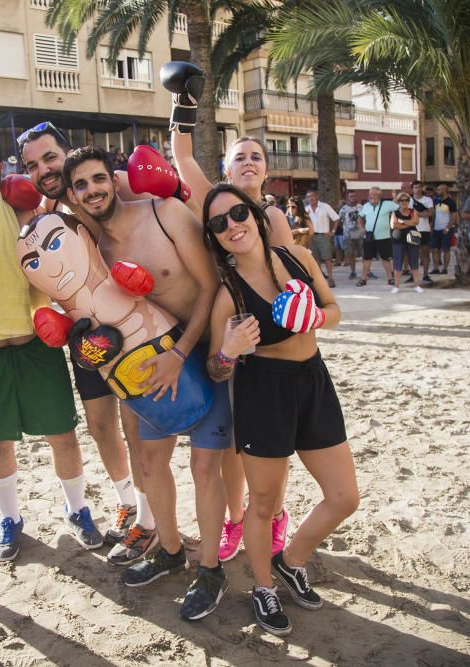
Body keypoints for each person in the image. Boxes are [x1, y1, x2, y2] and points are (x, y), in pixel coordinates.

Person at [61, 145, 230, 621]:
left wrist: (181, 353)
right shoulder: (92, 247)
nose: (92, 190)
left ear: (113, 181)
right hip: (150, 365)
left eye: (98, 179)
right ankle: (171, 551)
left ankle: (212, 570)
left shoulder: (164, 213)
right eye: (81, 185)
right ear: (74, 196)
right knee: (151, 462)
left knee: (204, 469)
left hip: (205, 352)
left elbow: (212, 284)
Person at [0, 126, 103, 562]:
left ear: (0, 163)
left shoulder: (22, 207)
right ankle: (10, 518)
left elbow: (64, 233)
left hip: (34, 344)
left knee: (62, 436)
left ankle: (78, 508)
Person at [202, 182, 358, 637]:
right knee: (264, 504)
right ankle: (264, 589)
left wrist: (315, 318)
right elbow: (215, 369)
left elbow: (333, 309)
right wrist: (229, 350)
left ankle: (291, 561)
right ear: (213, 237)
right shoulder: (228, 293)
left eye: (237, 214)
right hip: (263, 395)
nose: (231, 226)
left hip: (313, 382)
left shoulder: (297, 259)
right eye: (218, 224)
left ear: (253, 214)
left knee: (344, 497)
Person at [166, 61, 294, 563]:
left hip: (267, 340)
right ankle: (238, 521)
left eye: (256, 156)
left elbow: (290, 284)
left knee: (264, 441)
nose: (248, 161)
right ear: (226, 168)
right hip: (221, 336)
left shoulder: (275, 217)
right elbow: (179, 152)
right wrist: (186, 100)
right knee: (228, 443)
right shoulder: (212, 202)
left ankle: (276, 514)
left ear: (266, 169)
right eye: (239, 155)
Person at [18, 121, 150, 563]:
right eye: (32, 165)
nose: (43, 170)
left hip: (134, 324)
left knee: (136, 424)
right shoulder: (37, 219)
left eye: (49, 157)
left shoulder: (107, 190)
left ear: (67, 152)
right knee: (99, 424)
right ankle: (128, 500)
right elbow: (47, 283)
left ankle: (148, 518)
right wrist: (50, 317)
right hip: (86, 336)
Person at [356, 187, 396, 287]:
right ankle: (363, 278)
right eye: (370, 194)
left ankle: (390, 278)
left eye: (373, 194)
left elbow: (400, 209)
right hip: (369, 237)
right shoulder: (366, 206)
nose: (371, 196)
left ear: (379, 195)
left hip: (384, 237)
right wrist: (361, 227)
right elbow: (360, 218)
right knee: (367, 258)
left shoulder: (387, 204)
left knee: (386, 259)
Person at [302, 191, 341, 287]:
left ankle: (331, 278)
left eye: (312, 196)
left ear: (317, 196)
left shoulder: (325, 207)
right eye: (309, 196)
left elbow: (336, 218)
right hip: (311, 236)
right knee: (315, 259)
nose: (311, 198)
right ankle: (320, 280)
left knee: (327, 258)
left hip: (323, 235)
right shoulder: (306, 209)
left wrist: (333, 231)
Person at [390, 192, 423, 293]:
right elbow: (394, 225)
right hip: (398, 239)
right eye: (402, 200)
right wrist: (409, 223)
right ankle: (396, 286)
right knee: (398, 262)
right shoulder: (395, 212)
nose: (404, 202)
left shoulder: (413, 211)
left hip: (412, 239)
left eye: (406, 200)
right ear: (398, 202)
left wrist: (402, 222)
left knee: (414, 261)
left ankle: (417, 285)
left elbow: (416, 222)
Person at [429, 184, 457, 275]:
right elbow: (433, 214)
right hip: (436, 229)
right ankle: (436, 268)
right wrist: (432, 226)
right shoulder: (435, 201)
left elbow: (454, 216)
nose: (437, 191)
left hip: (446, 229)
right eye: (437, 189)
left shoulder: (451, 202)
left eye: (439, 189)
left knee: (446, 249)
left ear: (445, 190)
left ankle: (445, 268)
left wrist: (448, 228)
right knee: (434, 249)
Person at [410, 181, 434, 285]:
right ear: (412, 189)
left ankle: (425, 275)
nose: (417, 189)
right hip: (413, 229)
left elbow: (430, 212)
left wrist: (418, 214)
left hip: (424, 229)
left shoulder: (428, 200)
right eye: (415, 187)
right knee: (413, 253)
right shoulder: (409, 200)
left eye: (419, 187)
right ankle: (413, 275)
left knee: (425, 253)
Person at [339, 192, 364, 280]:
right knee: (351, 255)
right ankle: (353, 272)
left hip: (361, 235)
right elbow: (340, 220)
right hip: (348, 236)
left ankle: (367, 272)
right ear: (347, 198)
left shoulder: (361, 207)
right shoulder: (343, 209)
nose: (353, 198)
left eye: (354, 196)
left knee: (365, 254)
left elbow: (366, 218)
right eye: (351, 196)